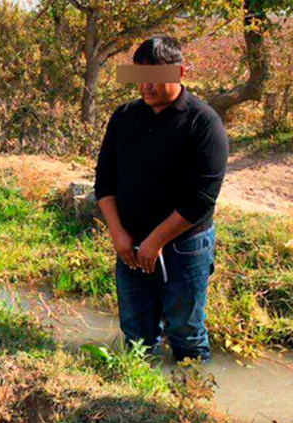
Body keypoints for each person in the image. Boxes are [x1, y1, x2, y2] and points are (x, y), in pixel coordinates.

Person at [93, 36, 228, 363]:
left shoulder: (203, 122)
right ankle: (139, 399)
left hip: (184, 248)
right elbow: (104, 182)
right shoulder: (124, 117)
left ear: (179, 72)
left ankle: (190, 402)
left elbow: (201, 199)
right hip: (130, 245)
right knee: (136, 331)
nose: (146, 85)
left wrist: (156, 240)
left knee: (186, 332)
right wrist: (118, 234)